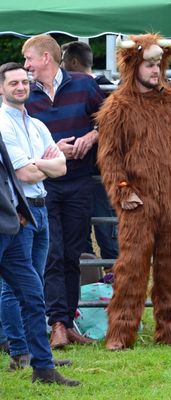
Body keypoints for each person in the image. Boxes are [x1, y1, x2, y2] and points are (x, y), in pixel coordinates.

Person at [96, 33, 171, 350]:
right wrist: (122, 190)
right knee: (131, 267)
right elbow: (109, 156)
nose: (155, 71)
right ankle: (119, 334)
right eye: (148, 65)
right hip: (138, 203)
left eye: (158, 65)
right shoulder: (117, 106)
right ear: (134, 66)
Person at [22, 34, 105, 349]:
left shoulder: (84, 87)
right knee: (53, 253)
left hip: (80, 182)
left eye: (29, 59)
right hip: (44, 185)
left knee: (73, 254)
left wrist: (92, 136)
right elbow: (18, 137)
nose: (27, 65)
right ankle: (56, 322)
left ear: (46, 57)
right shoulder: (26, 96)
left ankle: (67, 321)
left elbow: (109, 120)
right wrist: (52, 149)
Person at [0, 62, 66, 368]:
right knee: (16, 286)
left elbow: (61, 167)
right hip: (17, 213)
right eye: (13, 83)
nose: (20, 87)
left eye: (24, 82)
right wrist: (43, 165)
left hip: (40, 208)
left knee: (33, 284)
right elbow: (23, 173)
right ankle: (20, 350)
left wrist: (35, 163)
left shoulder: (37, 125)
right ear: (1, 88)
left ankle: (36, 354)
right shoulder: (3, 123)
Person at [0, 132, 79, 385]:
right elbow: (23, 173)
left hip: (11, 226)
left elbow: (10, 177)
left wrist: (18, 210)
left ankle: (43, 369)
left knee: (33, 295)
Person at [61, 41, 118, 268]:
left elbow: (115, 125)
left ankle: (114, 283)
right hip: (82, 173)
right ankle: (90, 285)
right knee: (82, 231)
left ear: (73, 62)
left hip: (100, 172)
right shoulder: (105, 88)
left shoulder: (105, 89)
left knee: (106, 231)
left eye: (63, 60)